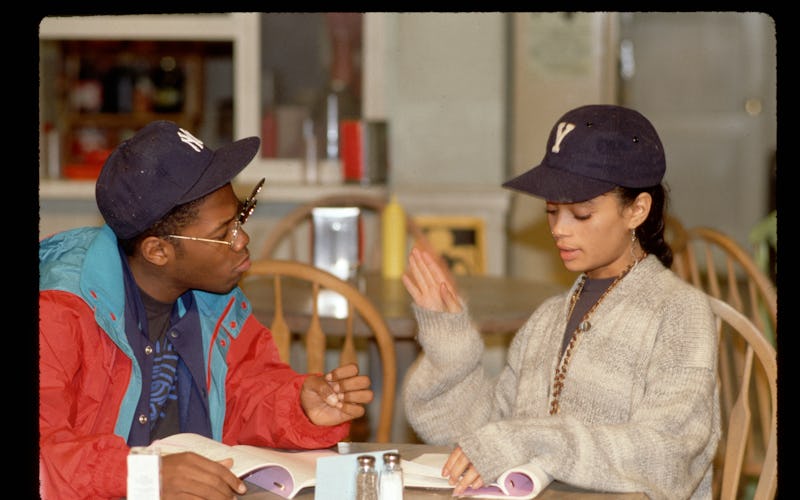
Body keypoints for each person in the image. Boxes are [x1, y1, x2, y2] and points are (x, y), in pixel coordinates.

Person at [39, 121, 374, 499]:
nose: (242, 240)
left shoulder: (215, 297)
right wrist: (147, 477)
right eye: (223, 233)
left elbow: (243, 394)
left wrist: (299, 407)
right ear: (158, 251)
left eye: (241, 217)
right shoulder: (58, 312)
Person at [402, 104, 720, 499]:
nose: (559, 230)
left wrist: (536, 440)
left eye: (581, 214)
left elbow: (667, 454)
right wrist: (449, 344)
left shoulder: (679, 313)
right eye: (552, 212)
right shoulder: (547, 319)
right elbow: (482, 436)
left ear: (637, 209)